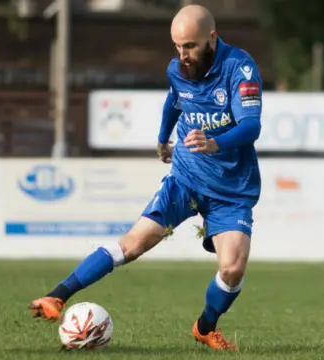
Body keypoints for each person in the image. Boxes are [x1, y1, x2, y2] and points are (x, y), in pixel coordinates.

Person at [28, 4, 262, 351]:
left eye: (190, 46)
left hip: (231, 189)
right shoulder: (178, 69)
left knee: (232, 269)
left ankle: (205, 326)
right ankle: (56, 296)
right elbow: (174, 101)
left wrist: (214, 143)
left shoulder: (239, 68)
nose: (183, 55)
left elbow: (251, 126)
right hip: (186, 178)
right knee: (134, 243)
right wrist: (162, 138)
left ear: (212, 37)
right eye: (177, 47)